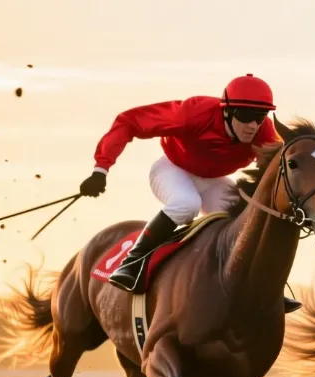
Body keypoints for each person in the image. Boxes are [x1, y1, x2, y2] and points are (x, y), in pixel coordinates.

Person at [78, 74, 302, 312]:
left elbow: (278, 173)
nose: (253, 126)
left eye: (260, 117)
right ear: (226, 110)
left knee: (247, 220)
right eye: (245, 116)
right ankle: (132, 262)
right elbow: (129, 121)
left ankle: (269, 287)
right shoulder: (194, 113)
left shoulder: (263, 132)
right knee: (186, 203)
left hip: (213, 181)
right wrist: (100, 169)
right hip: (173, 169)